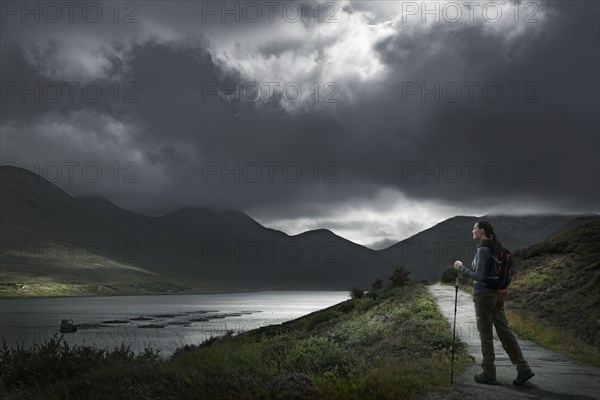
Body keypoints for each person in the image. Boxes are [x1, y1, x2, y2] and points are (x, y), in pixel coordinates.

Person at [453, 220, 535, 386]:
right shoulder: (496, 248)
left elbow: (480, 277)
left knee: (486, 335)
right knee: (505, 332)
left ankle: (488, 373)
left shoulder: (483, 249)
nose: (472, 230)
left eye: (474, 228)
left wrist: (461, 268)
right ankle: (523, 368)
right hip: (497, 296)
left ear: (482, 230)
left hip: (483, 296)